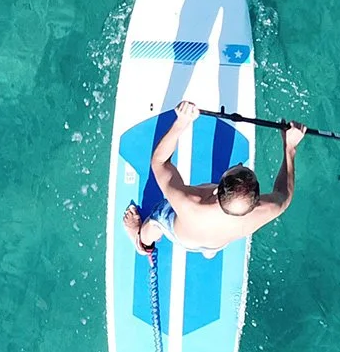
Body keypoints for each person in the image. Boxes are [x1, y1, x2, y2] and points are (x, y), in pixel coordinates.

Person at [121, 100, 305, 257]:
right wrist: (290, 148)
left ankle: (141, 242)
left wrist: (181, 123)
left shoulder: (189, 203)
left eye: (234, 169)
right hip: (218, 242)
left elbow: (159, 162)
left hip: (183, 235)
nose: (240, 165)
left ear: (217, 189)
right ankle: (208, 251)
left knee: (157, 218)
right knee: (211, 245)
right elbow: (284, 194)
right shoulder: (263, 211)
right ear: (255, 201)